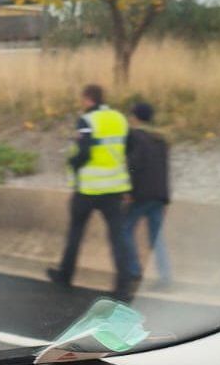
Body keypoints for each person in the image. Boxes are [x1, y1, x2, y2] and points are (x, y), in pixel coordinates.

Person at [47, 84, 134, 301]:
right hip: (114, 189)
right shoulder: (119, 119)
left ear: (88, 99)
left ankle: (65, 276)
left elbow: (84, 151)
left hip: (88, 190)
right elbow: (128, 148)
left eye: (83, 100)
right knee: (118, 238)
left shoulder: (87, 121)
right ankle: (123, 287)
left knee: (75, 233)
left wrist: (73, 162)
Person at [121, 102, 173, 289]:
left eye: (131, 115)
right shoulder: (161, 139)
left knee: (125, 229)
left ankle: (134, 272)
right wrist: (166, 198)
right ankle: (166, 278)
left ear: (135, 117)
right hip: (158, 195)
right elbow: (164, 170)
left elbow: (134, 165)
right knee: (156, 238)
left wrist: (128, 192)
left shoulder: (134, 136)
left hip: (140, 195)